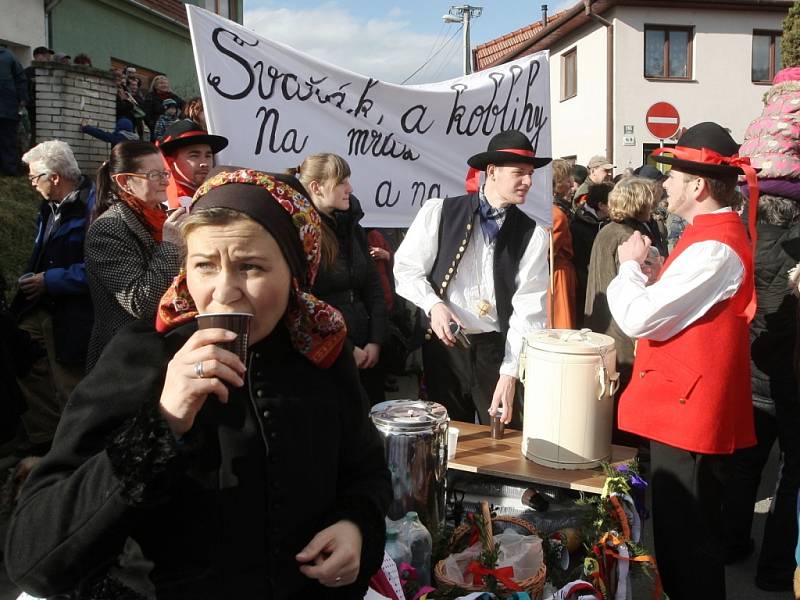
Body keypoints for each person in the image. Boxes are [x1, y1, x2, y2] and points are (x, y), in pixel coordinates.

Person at [5, 168, 391, 599]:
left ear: (296, 273)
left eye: (251, 267)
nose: (224, 292)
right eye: (205, 265)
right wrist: (163, 420)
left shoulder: (323, 352)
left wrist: (354, 525)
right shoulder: (142, 356)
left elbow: (367, 473)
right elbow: (35, 558)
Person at [607, 122, 759, 600]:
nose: (664, 184)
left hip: (689, 412)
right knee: (680, 545)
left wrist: (630, 267)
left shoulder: (716, 244)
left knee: (688, 549)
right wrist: (655, 273)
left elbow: (639, 318)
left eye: (671, 177)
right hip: (683, 407)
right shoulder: (709, 236)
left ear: (698, 185)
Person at [394, 130, 550, 427]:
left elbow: (530, 310)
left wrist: (510, 372)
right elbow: (406, 268)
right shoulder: (441, 212)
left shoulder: (532, 235)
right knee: (447, 440)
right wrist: (433, 305)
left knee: (502, 440)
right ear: (491, 172)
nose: (528, 182)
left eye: (530, 174)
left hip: (496, 351)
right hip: (445, 349)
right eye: (519, 173)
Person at [11, 140, 94, 455]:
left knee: (70, 383)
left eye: (35, 177)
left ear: (55, 177)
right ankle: (46, 438)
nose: (31, 184)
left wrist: (51, 280)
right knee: (24, 360)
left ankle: (78, 450)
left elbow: (99, 268)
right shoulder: (48, 208)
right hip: (40, 306)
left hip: (74, 313)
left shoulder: (92, 207)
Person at [288, 154, 387, 405]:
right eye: (341, 182)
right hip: (327, 355)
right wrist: (345, 348)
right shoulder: (301, 232)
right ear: (316, 187)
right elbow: (304, 300)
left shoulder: (352, 225)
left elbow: (373, 286)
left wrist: (375, 340)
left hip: (366, 348)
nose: (350, 188)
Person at [84, 140, 185, 370]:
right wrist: (171, 246)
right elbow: (140, 302)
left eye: (165, 172)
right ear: (124, 181)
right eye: (153, 174)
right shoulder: (108, 228)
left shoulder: (161, 216)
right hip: (126, 358)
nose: (165, 181)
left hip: (163, 348)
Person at [584, 177, 658, 442]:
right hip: (623, 329)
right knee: (623, 394)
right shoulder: (632, 238)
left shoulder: (607, 230)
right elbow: (640, 285)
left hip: (602, 325)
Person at [157, 119, 228, 208]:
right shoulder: (163, 204)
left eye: (208, 156)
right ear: (171, 162)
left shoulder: (219, 194)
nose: (204, 163)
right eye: (194, 156)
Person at [571, 182, 610, 326]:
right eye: (611, 203)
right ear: (601, 205)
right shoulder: (579, 226)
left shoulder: (602, 222)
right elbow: (580, 263)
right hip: (585, 286)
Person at [549, 158, 577, 329]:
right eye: (568, 179)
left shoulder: (555, 211)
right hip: (557, 274)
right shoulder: (556, 214)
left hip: (555, 271)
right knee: (561, 324)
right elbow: (547, 252)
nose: (572, 184)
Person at [0, 44, 26, 175]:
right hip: (8, 106)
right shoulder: (9, 56)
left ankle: (9, 168)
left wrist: (22, 99)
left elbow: (20, 79)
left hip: (8, 107)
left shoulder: (8, 56)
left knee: (8, 139)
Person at [144, 75, 183, 141]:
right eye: (161, 83)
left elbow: (185, 107)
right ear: (155, 86)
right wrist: (153, 124)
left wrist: (180, 120)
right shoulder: (150, 97)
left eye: (166, 83)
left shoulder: (173, 96)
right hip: (157, 129)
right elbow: (146, 114)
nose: (164, 85)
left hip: (173, 129)